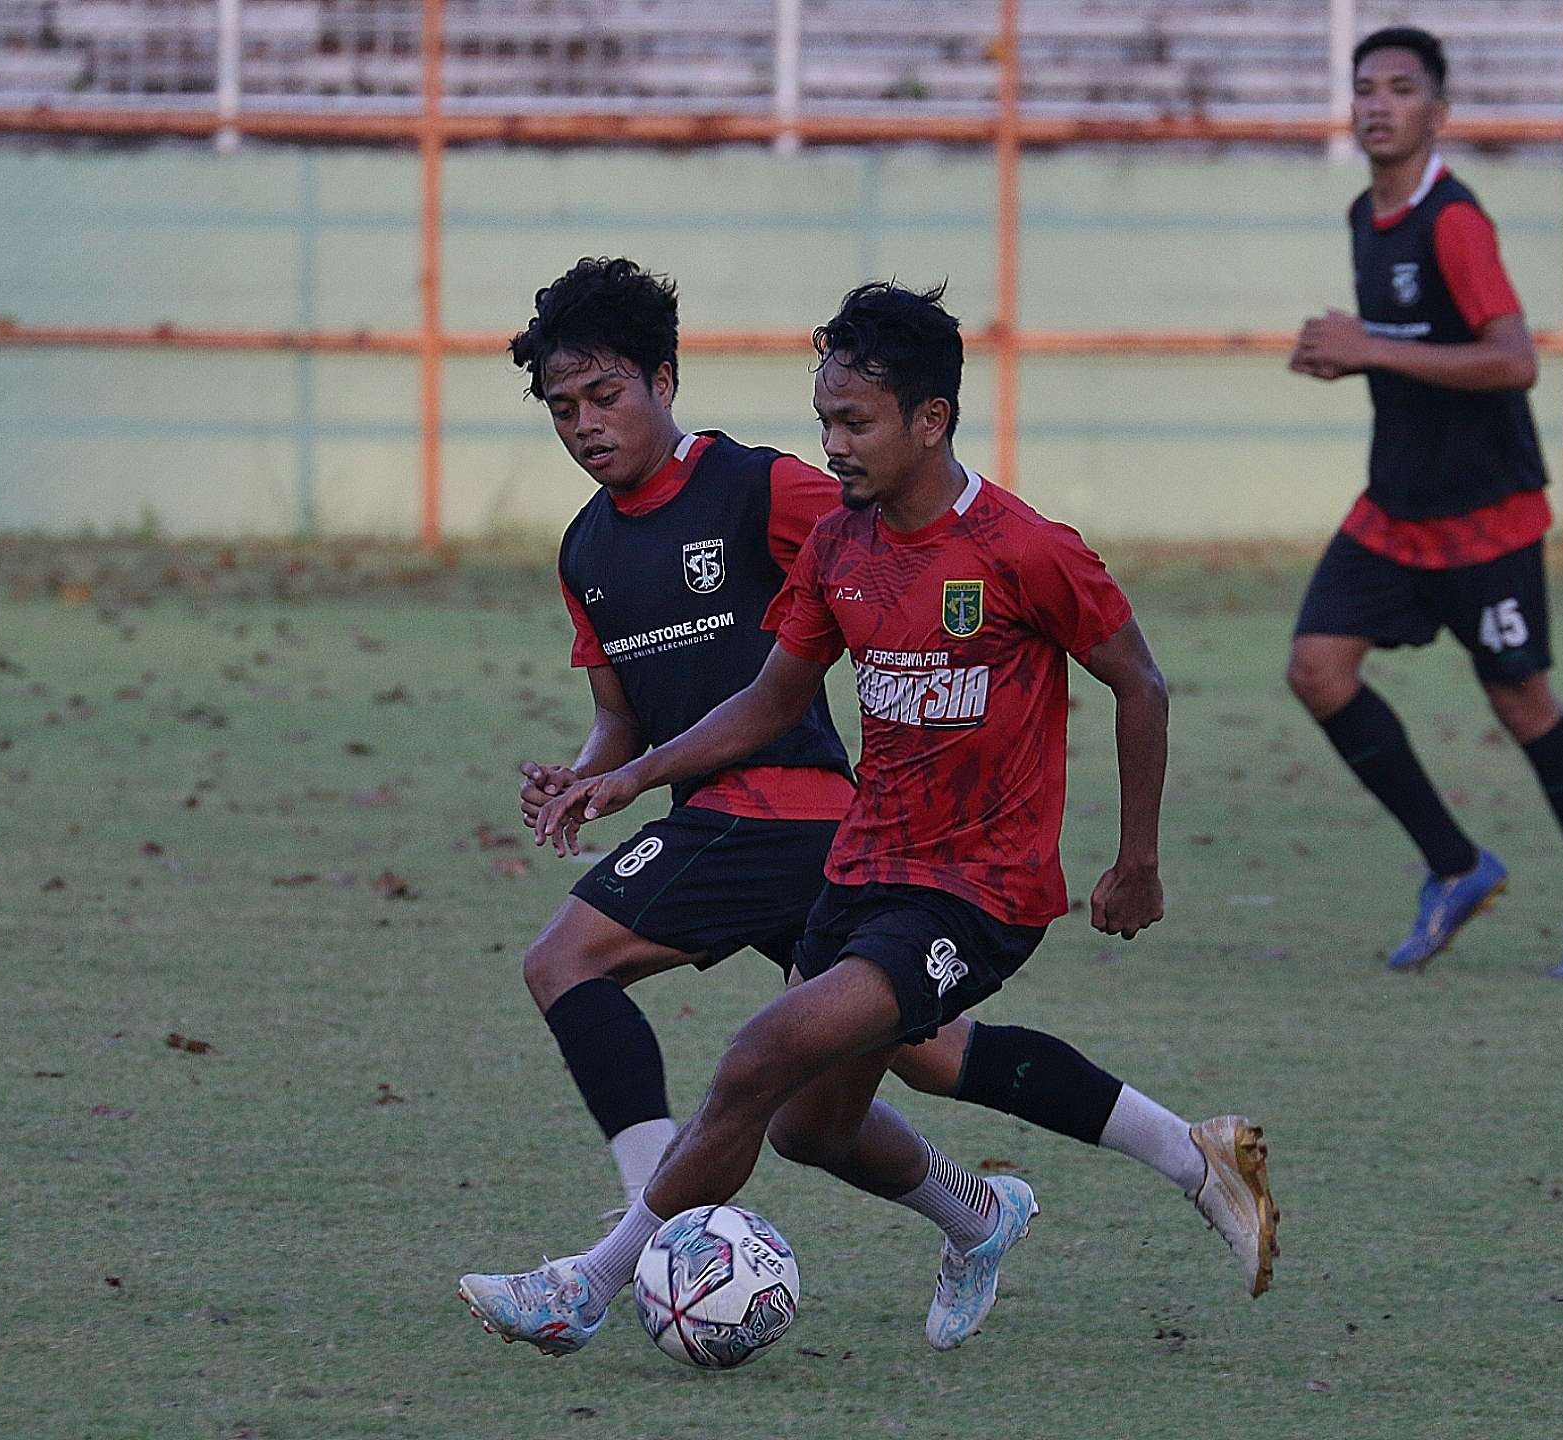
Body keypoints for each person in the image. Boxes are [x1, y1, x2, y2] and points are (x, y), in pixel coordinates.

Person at [461, 280, 1275, 1359]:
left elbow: (1143, 686)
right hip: (860, 870)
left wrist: (1137, 863)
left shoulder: (1023, 548)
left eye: (854, 423)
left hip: (974, 887)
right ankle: (1162, 1164)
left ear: (927, 419)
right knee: (814, 1124)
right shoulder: (841, 549)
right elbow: (769, 697)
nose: (832, 447)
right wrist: (625, 775)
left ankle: (591, 1285)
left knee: (760, 1050)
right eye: (824, 422)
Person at [1286, 26, 1563, 978]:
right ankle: (1455, 866)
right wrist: (1348, 351)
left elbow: (1513, 359)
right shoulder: (1369, 214)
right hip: (1397, 507)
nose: (1377, 103)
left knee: (1521, 701)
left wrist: (1371, 346)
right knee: (1318, 669)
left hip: (1484, 515)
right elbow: (1411, 344)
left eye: (1401, 89)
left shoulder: (1455, 220)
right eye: (1364, 86)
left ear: (1436, 112)